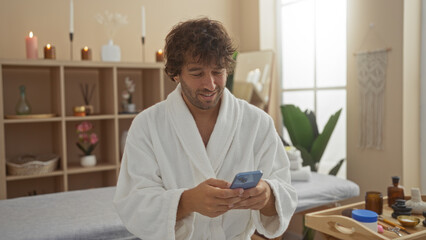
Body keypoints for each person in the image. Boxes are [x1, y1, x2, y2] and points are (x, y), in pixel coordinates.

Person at [113, 17, 297, 240]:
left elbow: (285, 191)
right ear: (176, 73)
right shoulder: (147, 126)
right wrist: (187, 201)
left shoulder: (258, 123)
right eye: (197, 73)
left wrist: (267, 196)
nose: (210, 85)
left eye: (218, 72)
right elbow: (133, 202)